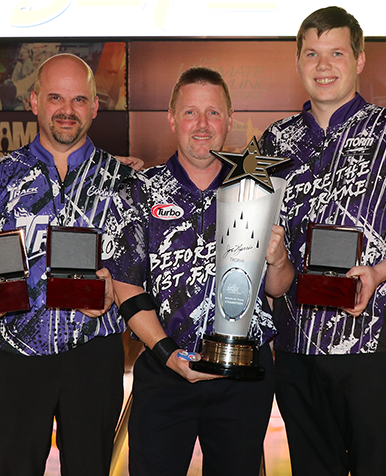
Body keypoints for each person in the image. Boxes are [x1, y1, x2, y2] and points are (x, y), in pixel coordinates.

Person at [259, 6, 386, 476]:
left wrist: (379, 271)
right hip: (297, 347)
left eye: (337, 53)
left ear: (360, 60)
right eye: (312, 54)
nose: (323, 66)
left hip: (374, 348)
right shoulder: (273, 142)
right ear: (298, 62)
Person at [103, 66, 293, 476]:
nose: (202, 125)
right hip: (165, 369)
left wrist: (277, 260)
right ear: (172, 119)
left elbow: (278, 288)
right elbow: (126, 285)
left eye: (213, 113)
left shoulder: (259, 190)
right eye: (190, 113)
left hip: (244, 376)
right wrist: (169, 356)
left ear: (229, 119)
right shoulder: (141, 189)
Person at [0, 53, 139, 476]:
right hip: (16, 355)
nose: (67, 110)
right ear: (35, 101)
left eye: (79, 99)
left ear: (95, 106)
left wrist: (115, 285)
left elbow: (136, 266)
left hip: (94, 354)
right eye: (56, 97)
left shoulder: (123, 181)